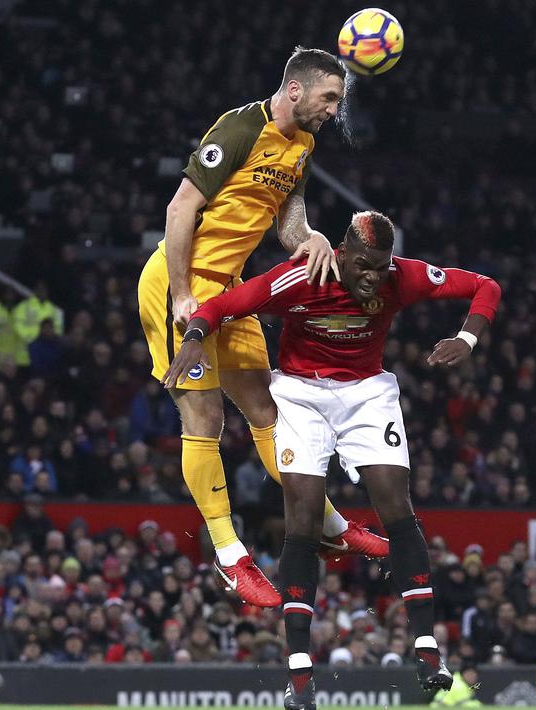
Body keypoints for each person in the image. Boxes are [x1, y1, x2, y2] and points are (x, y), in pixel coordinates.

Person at [164, 210, 500, 708]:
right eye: (364, 265)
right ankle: (299, 674)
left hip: (367, 393)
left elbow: (485, 286)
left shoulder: (400, 276)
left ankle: (427, 649)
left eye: (380, 267)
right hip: (301, 395)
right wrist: (193, 339)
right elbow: (220, 307)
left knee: (397, 508)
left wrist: (467, 338)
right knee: (301, 519)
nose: (372, 277)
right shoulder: (299, 279)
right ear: (341, 255)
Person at [137, 47, 383, 607]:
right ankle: (231, 557)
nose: (333, 111)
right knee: (204, 417)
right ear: (295, 90)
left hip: (229, 291)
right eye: (328, 99)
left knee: (270, 413)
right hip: (181, 283)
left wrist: (312, 236)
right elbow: (180, 211)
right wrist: (182, 295)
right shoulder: (241, 125)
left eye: (338, 102)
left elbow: (287, 224)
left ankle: (332, 526)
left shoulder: (303, 146)